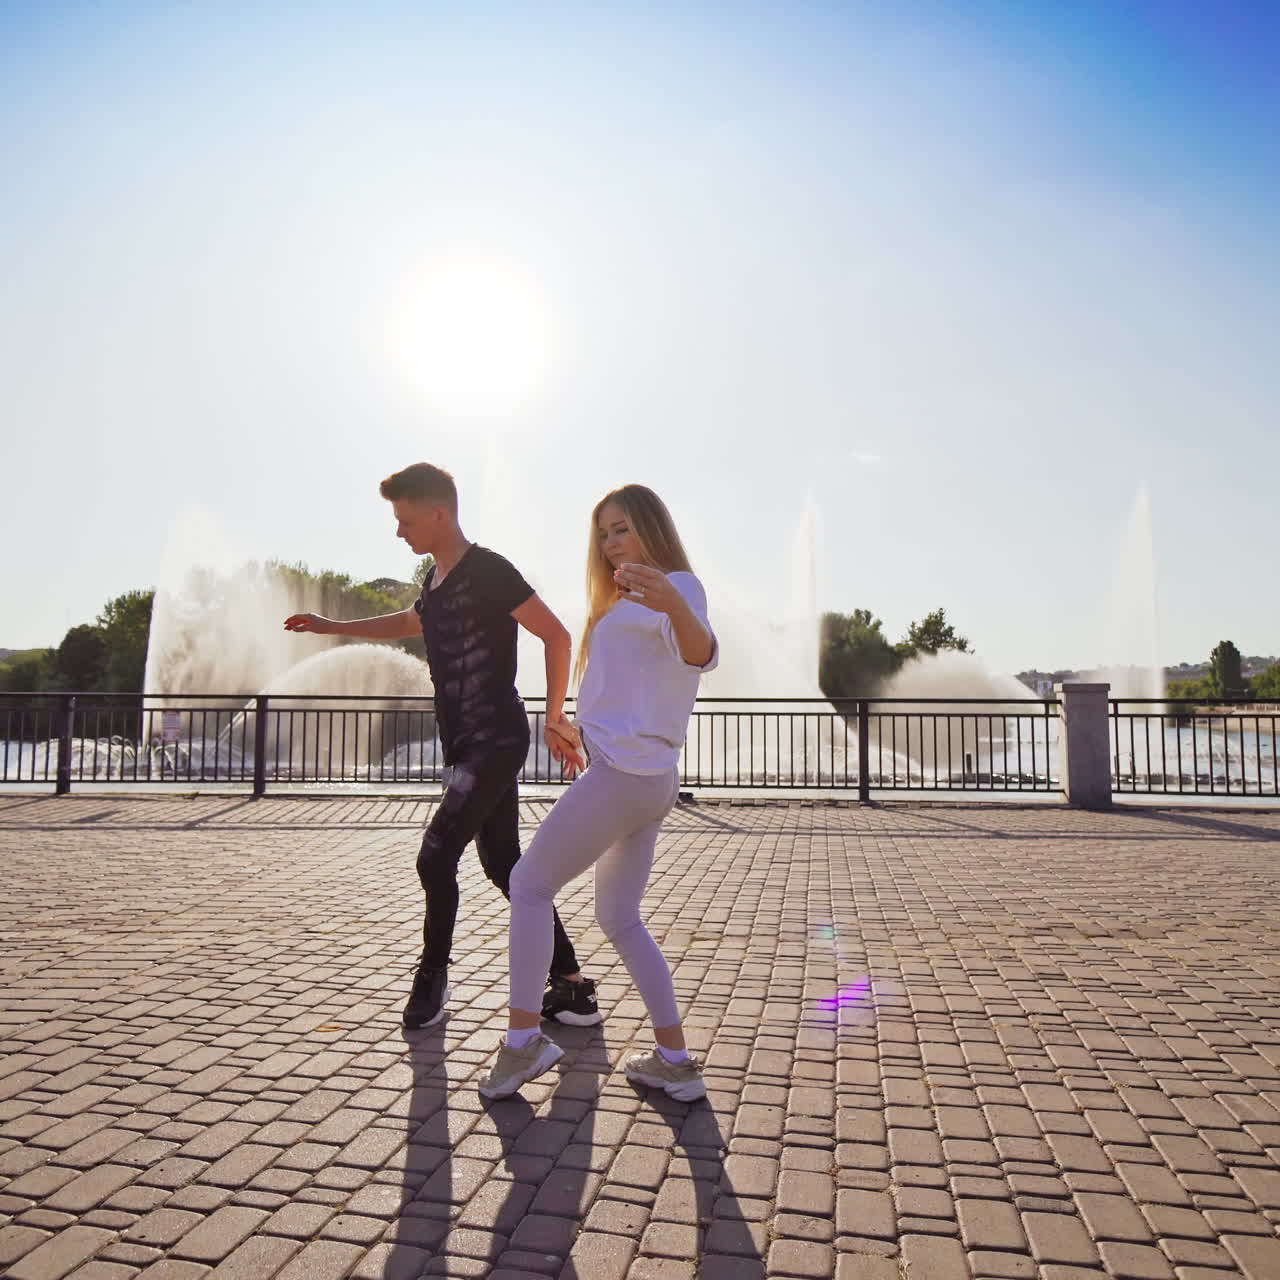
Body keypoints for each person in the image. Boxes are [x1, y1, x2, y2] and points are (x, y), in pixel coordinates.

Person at [284, 462, 600, 1031]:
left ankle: (431, 978)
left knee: (435, 855)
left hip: (496, 740)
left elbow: (555, 634)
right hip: (464, 745)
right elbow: (410, 621)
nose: (399, 532)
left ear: (438, 513)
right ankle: (573, 986)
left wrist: (554, 716)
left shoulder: (490, 570)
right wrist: (332, 624)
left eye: (404, 520)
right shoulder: (434, 580)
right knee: (506, 865)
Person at [480, 484, 717, 1102]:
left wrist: (672, 599)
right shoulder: (618, 599)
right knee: (619, 916)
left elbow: (700, 653)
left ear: (652, 529)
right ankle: (675, 1059)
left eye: (623, 529)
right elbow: (625, 687)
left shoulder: (678, 586)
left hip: (628, 777)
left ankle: (523, 1041)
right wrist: (570, 725)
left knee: (529, 884)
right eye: (604, 533)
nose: (612, 543)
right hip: (643, 776)